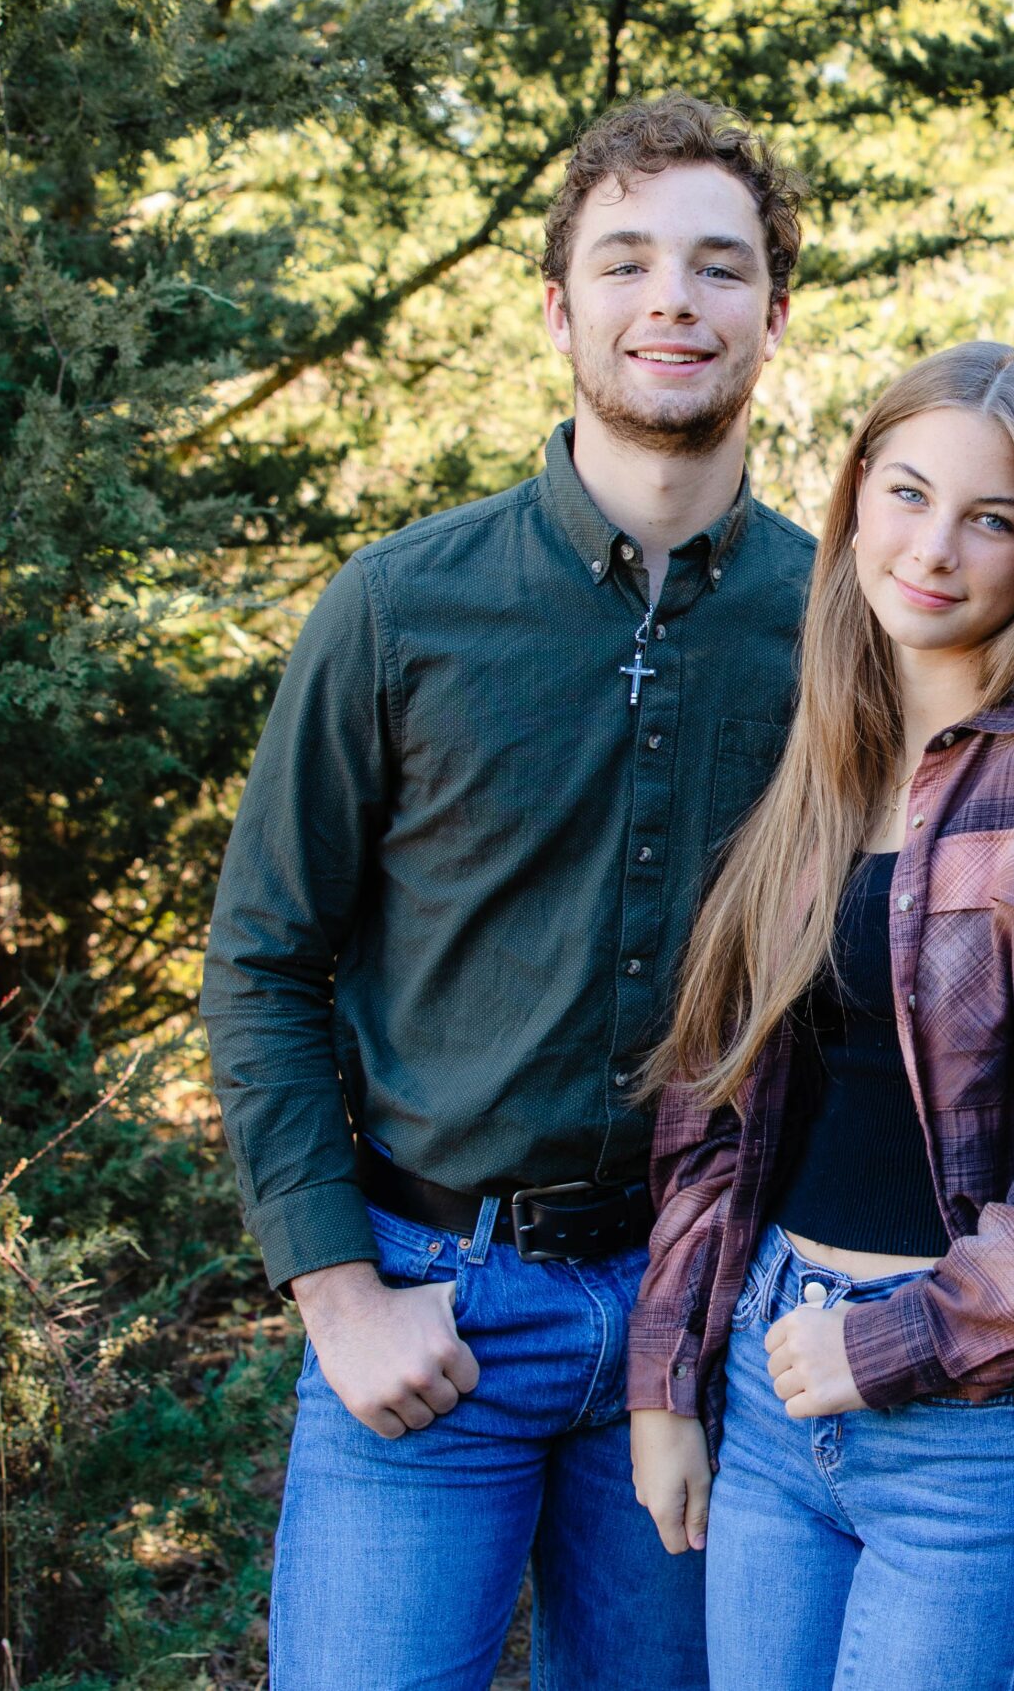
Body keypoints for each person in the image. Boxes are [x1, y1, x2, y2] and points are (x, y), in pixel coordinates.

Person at [198, 94, 813, 1689]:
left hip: (701, 1330)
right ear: (558, 308)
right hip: (429, 1312)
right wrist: (337, 1288)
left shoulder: (840, 627)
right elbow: (263, 956)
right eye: (624, 262)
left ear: (774, 313)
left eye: (716, 266)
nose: (670, 299)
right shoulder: (400, 611)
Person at [624, 341, 1014, 1691]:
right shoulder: (825, 761)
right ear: (850, 504)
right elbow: (715, 1104)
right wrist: (667, 1378)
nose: (933, 547)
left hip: (971, 1413)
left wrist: (889, 1341)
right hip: (778, 1371)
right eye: (904, 493)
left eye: (990, 517)